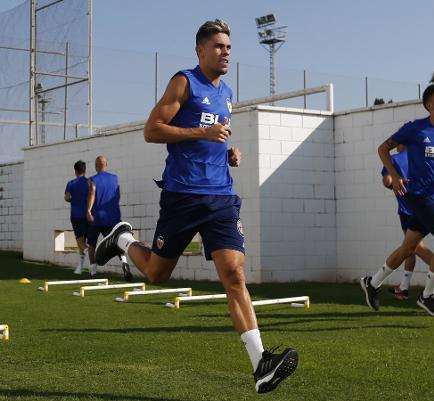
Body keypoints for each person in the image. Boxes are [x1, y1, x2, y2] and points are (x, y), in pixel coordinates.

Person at [93, 20, 297, 393]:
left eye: (229, 47)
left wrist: (227, 153)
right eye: (218, 46)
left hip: (220, 197)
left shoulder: (228, 93)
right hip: (182, 196)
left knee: (234, 275)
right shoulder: (183, 82)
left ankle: (261, 364)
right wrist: (202, 133)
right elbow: (152, 130)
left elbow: (214, 138)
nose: (226, 52)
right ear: (200, 51)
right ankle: (122, 240)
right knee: (157, 275)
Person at [361, 84, 434, 318]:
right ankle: (428, 295)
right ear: (429, 105)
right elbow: (383, 149)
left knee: (409, 248)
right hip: (419, 196)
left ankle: (372, 283)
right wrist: (394, 176)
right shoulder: (415, 129)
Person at [381, 145, 434, 301]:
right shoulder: (423, 159)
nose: (396, 147)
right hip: (425, 206)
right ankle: (403, 287)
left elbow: (387, 180)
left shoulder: (394, 160)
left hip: (408, 209)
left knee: (413, 247)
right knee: (411, 248)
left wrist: (394, 182)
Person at [86, 156, 131, 280]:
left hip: (97, 218)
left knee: (92, 245)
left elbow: (92, 193)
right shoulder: (115, 179)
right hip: (113, 217)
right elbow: (118, 195)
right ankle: (124, 263)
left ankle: (93, 272)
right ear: (106, 164)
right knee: (117, 243)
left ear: (96, 166)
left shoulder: (92, 180)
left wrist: (88, 210)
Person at [64, 160, 89, 274]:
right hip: (89, 215)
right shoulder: (90, 182)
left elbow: (67, 197)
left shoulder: (71, 183)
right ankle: (80, 267)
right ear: (84, 170)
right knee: (85, 242)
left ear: (75, 171)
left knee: (80, 242)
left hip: (77, 215)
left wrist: (74, 199)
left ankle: (90, 253)